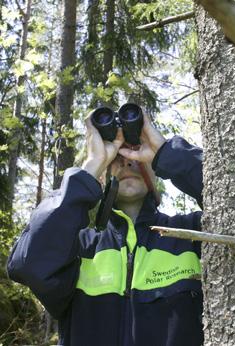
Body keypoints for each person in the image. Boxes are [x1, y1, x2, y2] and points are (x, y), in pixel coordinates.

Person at [7, 112, 204, 346]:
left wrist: (166, 152)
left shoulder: (193, 235)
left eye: (137, 156)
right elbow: (29, 263)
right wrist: (91, 166)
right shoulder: (78, 249)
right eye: (116, 160)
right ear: (102, 179)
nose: (128, 161)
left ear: (156, 173)